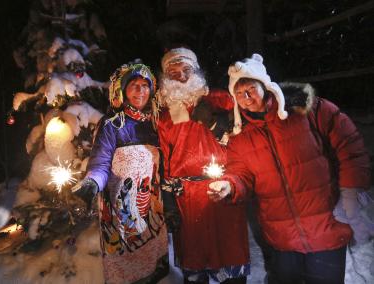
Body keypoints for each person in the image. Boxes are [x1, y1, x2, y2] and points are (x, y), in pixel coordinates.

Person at [208, 54, 373, 284]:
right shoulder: (239, 137)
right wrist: (230, 185)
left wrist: (350, 190)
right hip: (281, 237)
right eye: (239, 94)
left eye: (251, 89)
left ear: (264, 84)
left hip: (325, 228)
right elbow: (240, 174)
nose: (246, 98)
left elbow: (349, 143)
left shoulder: (306, 109)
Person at [157, 47, 250, 284]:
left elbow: (244, 125)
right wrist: (168, 202)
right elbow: (164, 161)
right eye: (173, 72)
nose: (181, 76)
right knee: (195, 264)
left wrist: (218, 123)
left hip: (224, 189)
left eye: (186, 69)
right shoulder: (166, 117)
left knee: (231, 259)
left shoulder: (220, 100)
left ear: (196, 71)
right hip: (187, 198)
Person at [72, 63, 168, 284]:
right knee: (125, 257)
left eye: (145, 86)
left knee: (150, 254)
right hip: (119, 208)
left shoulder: (156, 122)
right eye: (134, 85)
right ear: (122, 90)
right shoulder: (112, 125)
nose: (141, 91)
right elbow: (101, 161)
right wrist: (92, 182)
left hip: (150, 204)